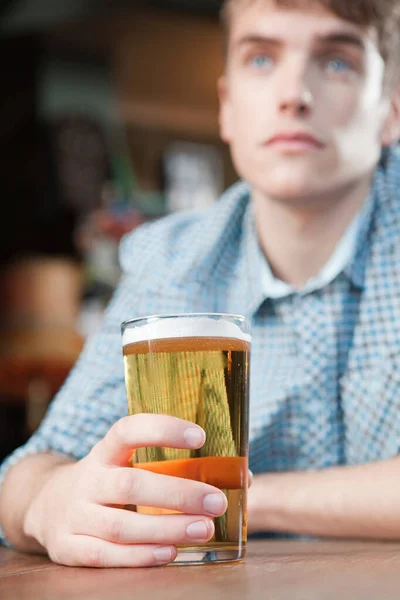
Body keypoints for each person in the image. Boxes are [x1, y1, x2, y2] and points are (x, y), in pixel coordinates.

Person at [1, 0, 400, 568]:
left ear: (391, 110)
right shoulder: (174, 261)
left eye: (337, 62)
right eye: (261, 59)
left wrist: (243, 499)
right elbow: (29, 469)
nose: (294, 94)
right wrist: (48, 503)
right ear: (227, 107)